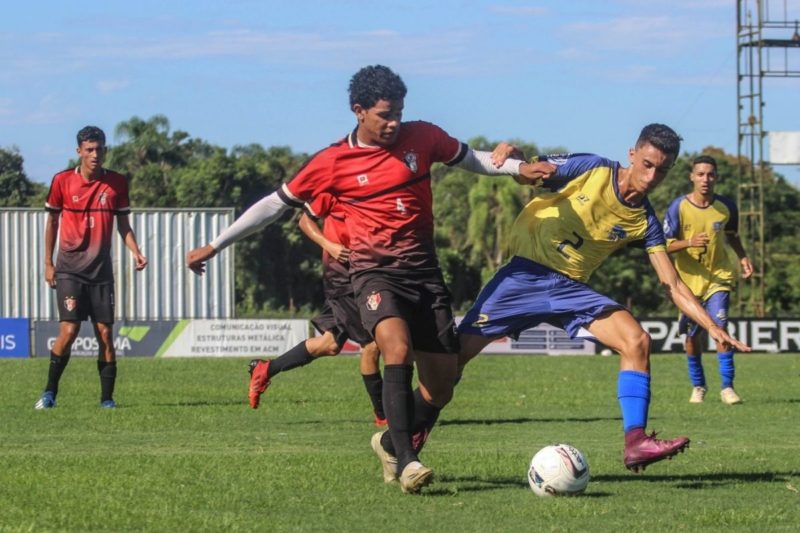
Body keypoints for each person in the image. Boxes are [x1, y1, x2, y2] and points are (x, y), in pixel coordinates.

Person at [186, 65, 546, 493]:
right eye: (384, 115)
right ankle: (409, 462)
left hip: (424, 273)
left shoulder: (423, 136)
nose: (394, 122)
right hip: (374, 273)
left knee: (442, 385)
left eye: (399, 112)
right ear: (358, 111)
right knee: (393, 346)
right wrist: (216, 244)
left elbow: (469, 158)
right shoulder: (331, 162)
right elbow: (273, 205)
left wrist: (513, 167)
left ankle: (390, 442)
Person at [456, 124, 751, 473]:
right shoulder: (592, 167)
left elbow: (672, 284)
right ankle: (404, 435)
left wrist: (712, 328)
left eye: (662, 170)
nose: (652, 175)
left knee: (637, 340)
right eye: (647, 164)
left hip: (570, 288)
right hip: (524, 275)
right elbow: (529, 174)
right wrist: (514, 156)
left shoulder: (645, 219)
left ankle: (636, 442)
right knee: (450, 364)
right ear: (632, 154)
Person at [248, 196, 387, 427]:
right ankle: (383, 416)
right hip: (342, 279)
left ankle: (265, 369)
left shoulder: (377, 190)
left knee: (329, 345)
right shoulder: (334, 191)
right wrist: (329, 245)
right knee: (371, 345)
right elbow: (304, 221)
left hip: (364, 275)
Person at [35, 126, 148, 410]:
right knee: (69, 331)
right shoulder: (61, 181)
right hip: (69, 269)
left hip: (101, 272)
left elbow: (123, 224)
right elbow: (52, 223)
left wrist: (135, 251)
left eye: (99, 149)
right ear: (79, 152)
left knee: (106, 335)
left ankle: (107, 400)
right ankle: (49, 394)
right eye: (89, 150)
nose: (95, 155)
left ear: (105, 150)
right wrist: (48, 263)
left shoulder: (117, 183)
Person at [663, 155, 754, 405]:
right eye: (700, 174)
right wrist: (689, 242)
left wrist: (743, 257)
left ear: (717, 177)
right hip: (688, 283)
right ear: (692, 177)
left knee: (720, 328)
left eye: (710, 174)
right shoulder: (678, 207)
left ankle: (727, 387)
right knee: (692, 337)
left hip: (719, 277)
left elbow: (732, 235)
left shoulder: (726, 207)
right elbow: (664, 246)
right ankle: (699, 385)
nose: (706, 179)